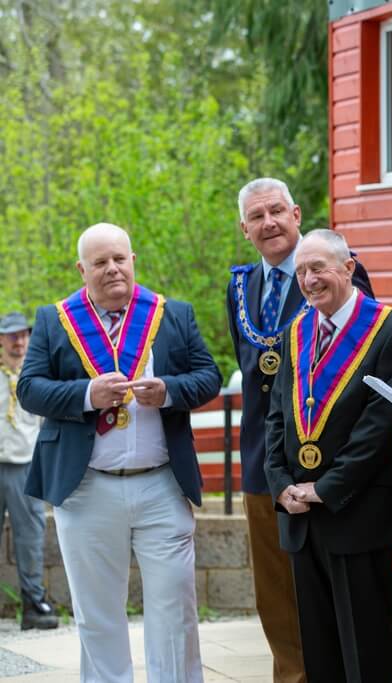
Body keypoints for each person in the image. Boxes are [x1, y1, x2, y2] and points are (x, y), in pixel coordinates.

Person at [17, 223, 222, 682]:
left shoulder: (173, 314)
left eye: (119, 259)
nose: (112, 269)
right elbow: (29, 389)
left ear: (133, 260)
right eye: (100, 262)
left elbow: (208, 376)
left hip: (162, 484)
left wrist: (169, 391)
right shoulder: (55, 320)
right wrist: (87, 394)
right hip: (87, 488)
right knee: (98, 615)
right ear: (82, 269)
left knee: (175, 612)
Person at [228, 177, 373, 683]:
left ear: (296, 213)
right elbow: (255, 376)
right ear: (244, 229)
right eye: (256, 217)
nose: (268, 223)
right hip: (263, 461)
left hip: (325, 468)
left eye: (276, 212)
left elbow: (358, 367)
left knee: (329, 597)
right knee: (275, 594)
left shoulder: (337, 272)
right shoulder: (241, 286)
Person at [264, 229, 392, 683]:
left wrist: (326, 489)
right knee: (319, 650)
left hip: (357, 512)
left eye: (318, 268)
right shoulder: (296, 330)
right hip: (301, 516)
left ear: (348, 267)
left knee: (365, 650)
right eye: (302, 271)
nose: (309, 280)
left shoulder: (388, 328)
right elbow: (278, 417)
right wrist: (280, 483)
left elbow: (378, 426)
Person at [0, 312, 58, 630]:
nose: (18, 341)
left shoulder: (36, 377)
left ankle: (33, 603)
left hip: (26, 466)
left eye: (23, 335)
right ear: (0, 339)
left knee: (30, 536)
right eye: (11, 335)